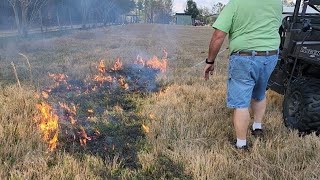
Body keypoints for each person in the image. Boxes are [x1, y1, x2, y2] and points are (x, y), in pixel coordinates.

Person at [203, 0, 282, 149]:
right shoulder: (277, 2)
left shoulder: (236, 3)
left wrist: (210, 60)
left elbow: (218, 35)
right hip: (271, 55)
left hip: (245, 57)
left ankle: (241, 145)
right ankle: (257, 127)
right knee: (260, 93)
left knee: (241, 103)